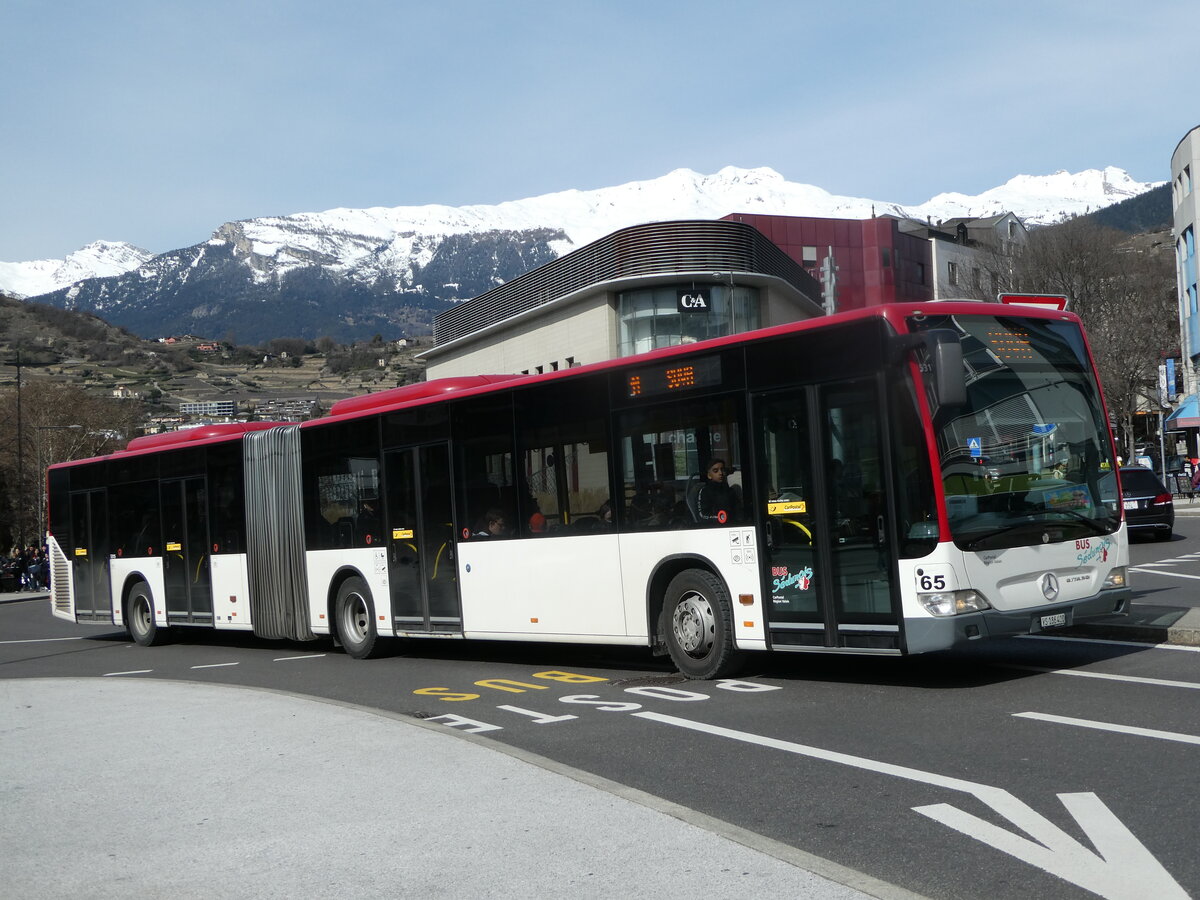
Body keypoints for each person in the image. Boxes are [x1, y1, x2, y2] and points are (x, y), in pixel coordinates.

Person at [697, 458, 739, 524]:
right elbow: (702, 515)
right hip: (713, 528)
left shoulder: (730, 491)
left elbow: (738, 511)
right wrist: (721, 518)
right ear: (709, 475)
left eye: (722, 470)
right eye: (715, 471)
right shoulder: (705, 491)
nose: (720, 473)